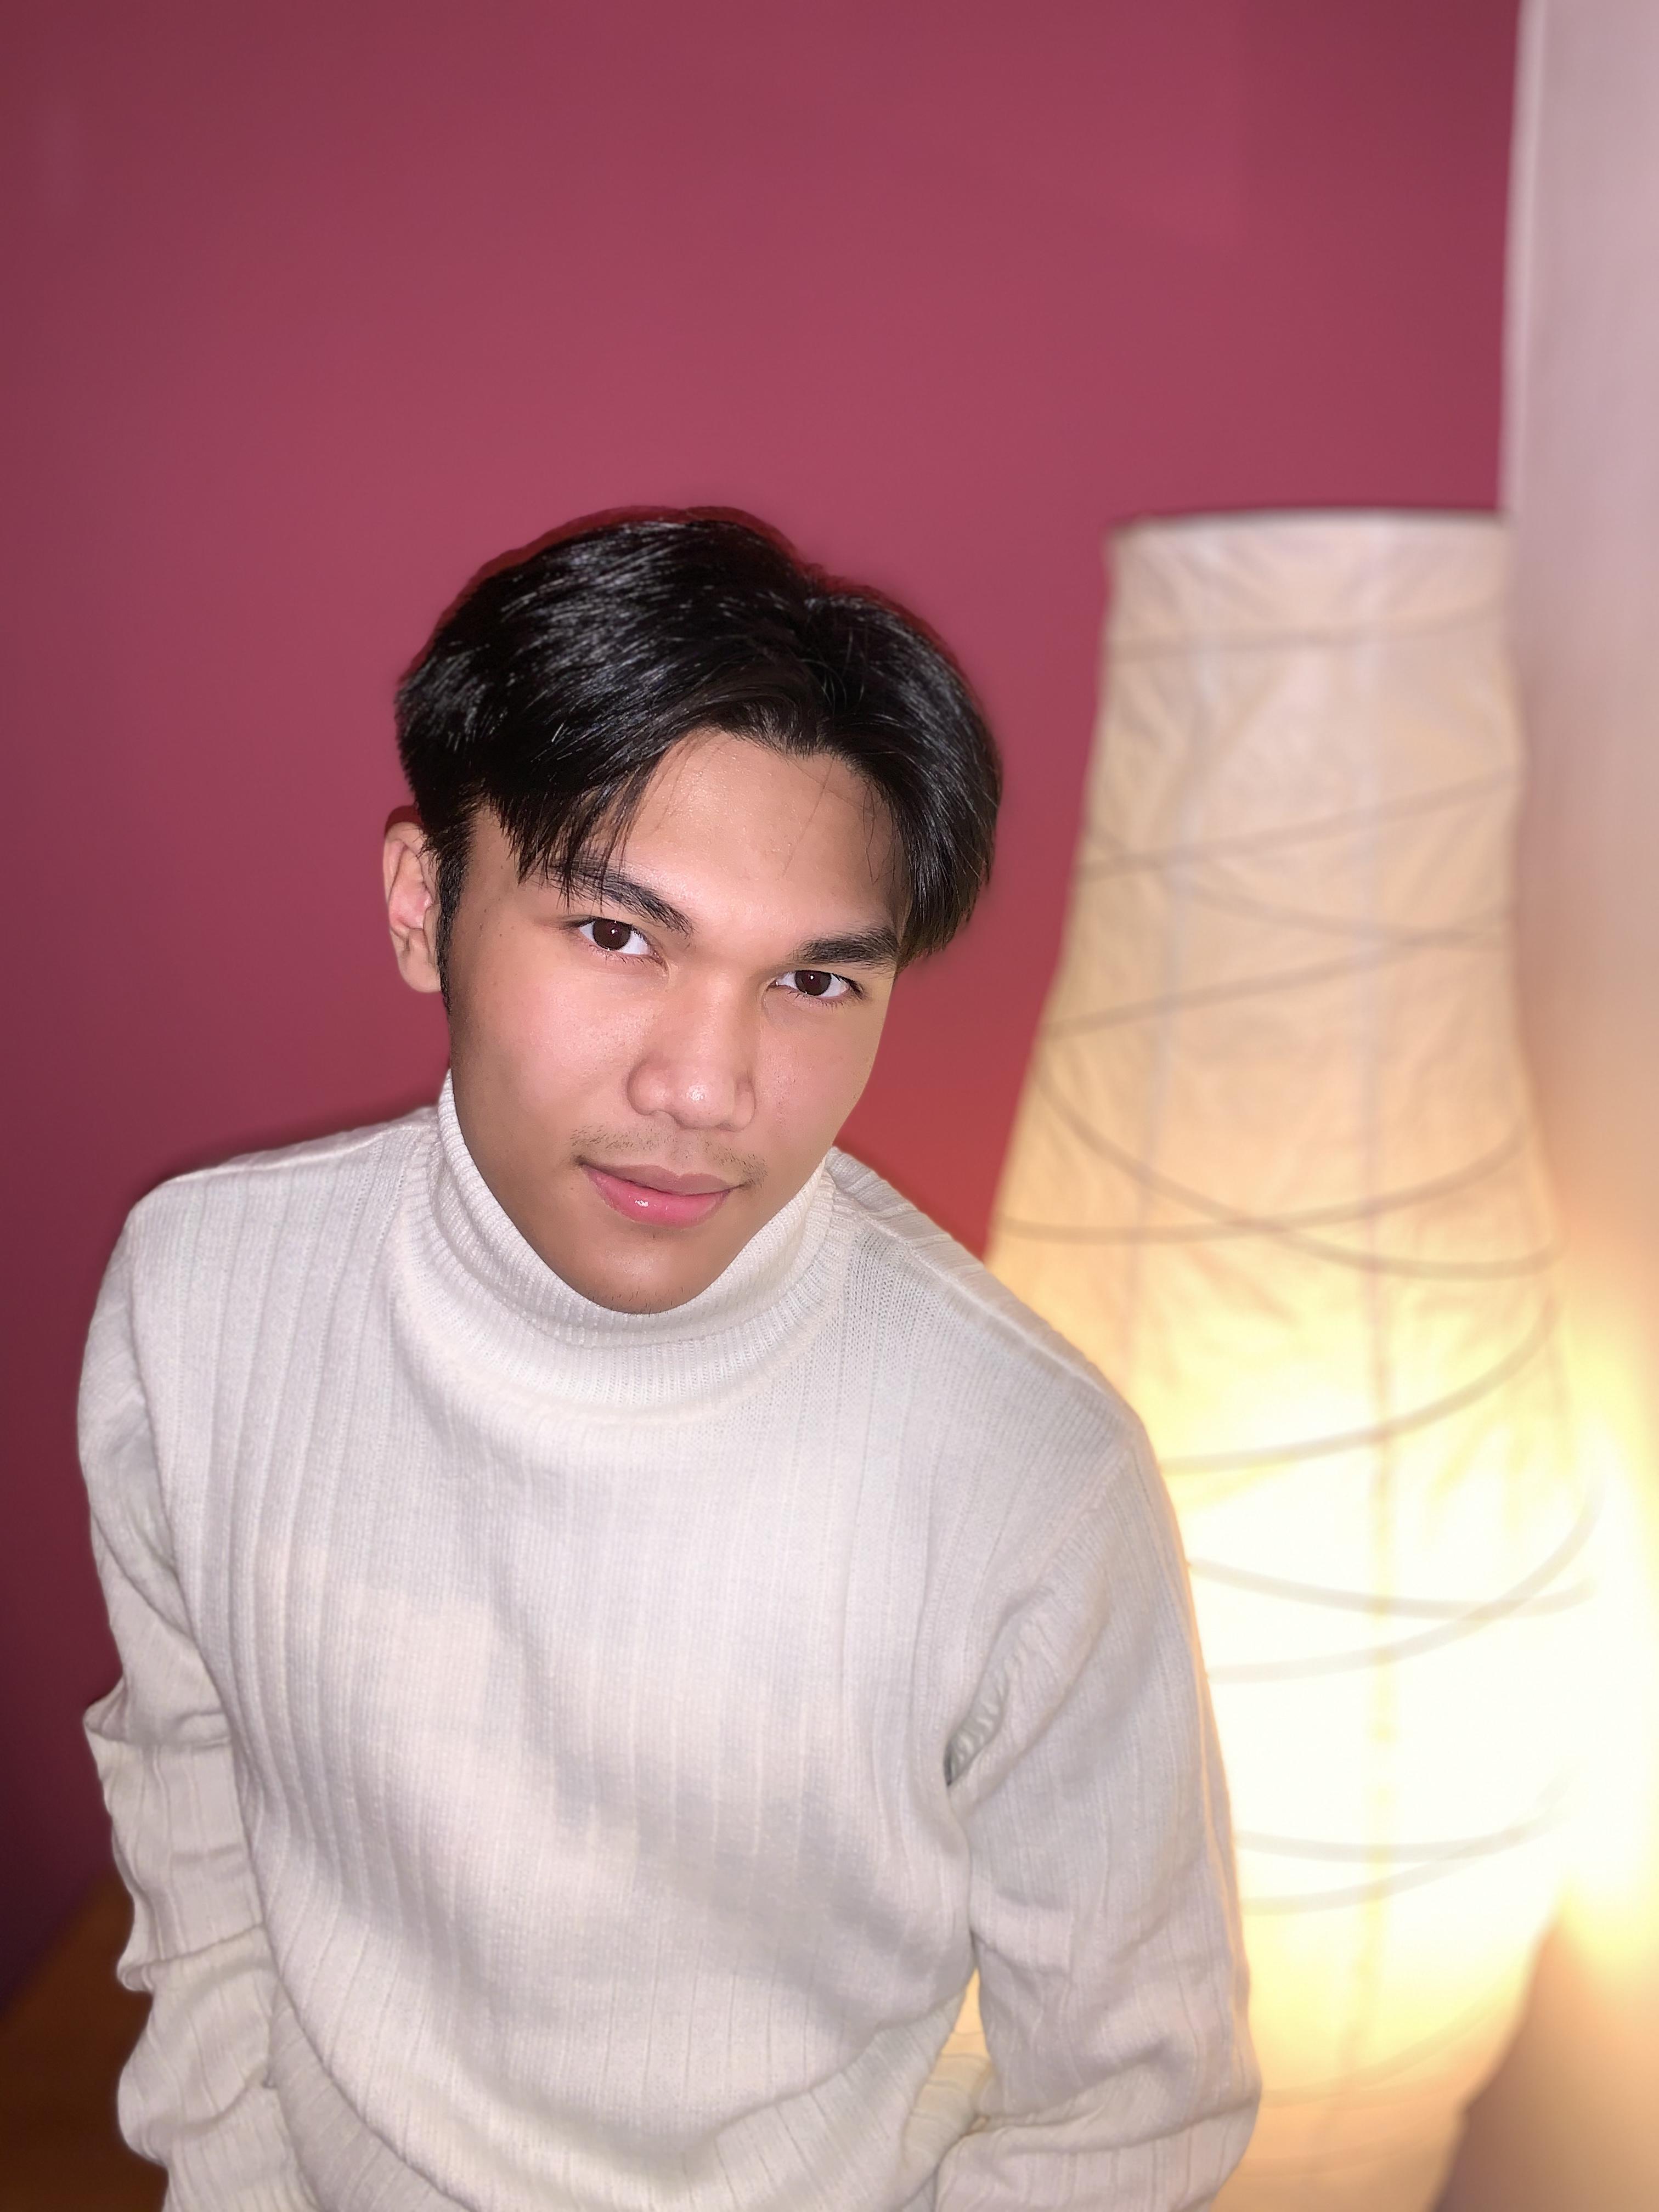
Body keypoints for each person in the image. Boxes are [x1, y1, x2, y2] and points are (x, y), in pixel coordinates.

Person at [78, 510, 1257, 2211]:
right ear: (423, 904)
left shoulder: (1027, 1471)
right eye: (618, 935)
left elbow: (1131, 2117)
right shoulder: (200, 1303)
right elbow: (197, 1836)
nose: (706, 1088)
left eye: (813, 980)